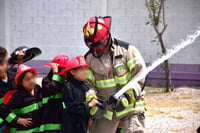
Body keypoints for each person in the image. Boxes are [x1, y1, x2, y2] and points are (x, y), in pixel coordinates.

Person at [83, 16, 146, 133]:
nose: (96, 49)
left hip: (130, 108)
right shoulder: (88, 59)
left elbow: (140, 76)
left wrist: (127, 96)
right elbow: (87, 85)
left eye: (99, 45)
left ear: (107, 37)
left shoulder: (128, 51)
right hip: (106, 112)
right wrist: (94, 102)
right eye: (92, 46)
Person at [0, 64, 42, 132]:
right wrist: (18, 120)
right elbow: (3, 110)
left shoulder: (38, 90)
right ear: (21, 82)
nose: (31, 81)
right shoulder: (18, 97)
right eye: (27, 79)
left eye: (32, 77)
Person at [61, 55, 98, 133]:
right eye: (82, 69)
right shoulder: (68, 86)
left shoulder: (84, 86)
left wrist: (91, 117)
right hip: (71, 126)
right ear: (72, 72)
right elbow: (71, 106)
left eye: (85, 69)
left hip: (82, 124)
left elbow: (87, 100)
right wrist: (88, 105)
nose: (85, 72)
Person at [40, 55, 69, 133]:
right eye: (60, 69)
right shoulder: (46, 81)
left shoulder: (67, 84)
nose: (63, 72)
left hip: (63, 125)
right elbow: (53, 88)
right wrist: (56, 74)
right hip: (49, 125)